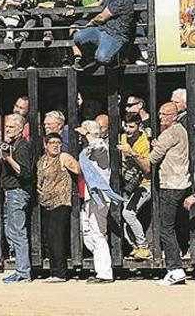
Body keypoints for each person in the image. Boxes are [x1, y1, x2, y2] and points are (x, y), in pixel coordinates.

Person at [150, 102, 191, 286]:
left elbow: (153, 158)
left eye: (165, 114)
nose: (161, 117)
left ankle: (175, 269)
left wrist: (133, 153)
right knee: (176, 226)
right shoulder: (182, 130)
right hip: (183, 183)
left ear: (175, 116)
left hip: (170, 185)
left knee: (166, 228)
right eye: (160, 114)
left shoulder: (169, 133)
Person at [77, 119, 122, 284]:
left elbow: (97, 145)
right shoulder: (88, 149)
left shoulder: (101, 147)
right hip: (90, 197)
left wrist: (88, 134)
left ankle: (104, 273)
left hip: (99, 197)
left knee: (98, 233)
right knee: (88, 233)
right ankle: (100, 268)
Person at [36, 132, 80, 282]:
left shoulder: (63, 157)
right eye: (52, 142)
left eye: (58, 142)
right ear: (45, 145)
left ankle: (60, 273)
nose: (55, 145)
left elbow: (78, 169)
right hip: (46, 202)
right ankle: (53, 271)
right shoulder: (42, 161)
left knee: (57, 237)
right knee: (48, 237)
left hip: (61, 201)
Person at [73, 0, 134, 71]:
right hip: (102, 29)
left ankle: (114, 57)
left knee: (102, 57)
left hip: (116, 35)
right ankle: (89, 58)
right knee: (78, 36)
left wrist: (91, 22)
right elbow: (102, 1)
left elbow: (102, 17)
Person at [0, 113, 33, 284]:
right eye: (6, 126)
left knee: (18, 232)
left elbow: (24, 171)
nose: (7, 129)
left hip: (17, 191)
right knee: (12, 230)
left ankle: (23, 272)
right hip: (11, 191)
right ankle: (21, 269)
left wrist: (8, 159)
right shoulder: (13, 144)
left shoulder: (23, 147)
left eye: (11, 127)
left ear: (20, 129)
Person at [117, 112, 152, 259]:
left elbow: (148, 168)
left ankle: (143, 247)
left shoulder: (145, 142)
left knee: (128, 213)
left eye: (132, 126)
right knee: (123, 217)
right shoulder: (123, 137)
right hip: (127, 184)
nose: (128, 130)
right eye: (126, 126)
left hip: (144, 184)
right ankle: (136, 247)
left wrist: (131, 153)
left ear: (139, 126)